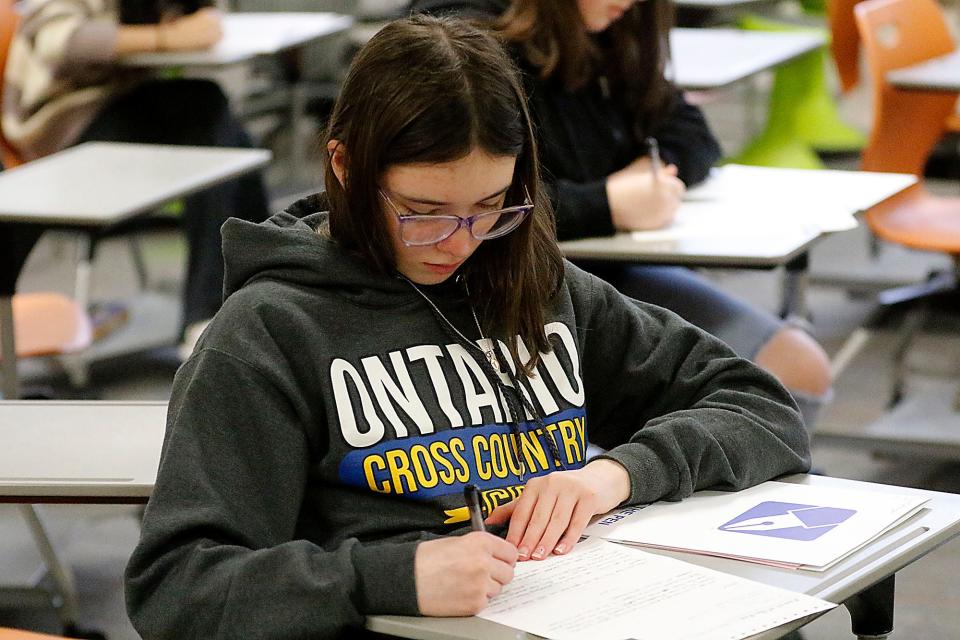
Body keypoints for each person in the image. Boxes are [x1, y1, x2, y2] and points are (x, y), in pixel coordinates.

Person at [124, 15, 810, 638]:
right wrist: (388, 577)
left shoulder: (533, 286)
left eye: (491, 207)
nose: (459, 242)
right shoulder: (269, 333)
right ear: (345, 165)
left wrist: (614, 475)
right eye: (423, 211)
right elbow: (175, 588)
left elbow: (760, 408)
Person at [412, 0, 834, 429]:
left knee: (797, 365)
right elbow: (472, 204)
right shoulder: (467, 39)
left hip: (607, 278)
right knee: (717, 401)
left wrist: (648, 177)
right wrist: (608, 203)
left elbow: (691, 134)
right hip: (502, 291)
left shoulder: (610, 32)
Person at [1, 0, 270, 351]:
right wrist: (167, 38)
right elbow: (61, 41)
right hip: (58, 126)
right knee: (209, 119)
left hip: (117, 106)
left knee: (232, 144)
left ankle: (249, 301)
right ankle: (214, 315)